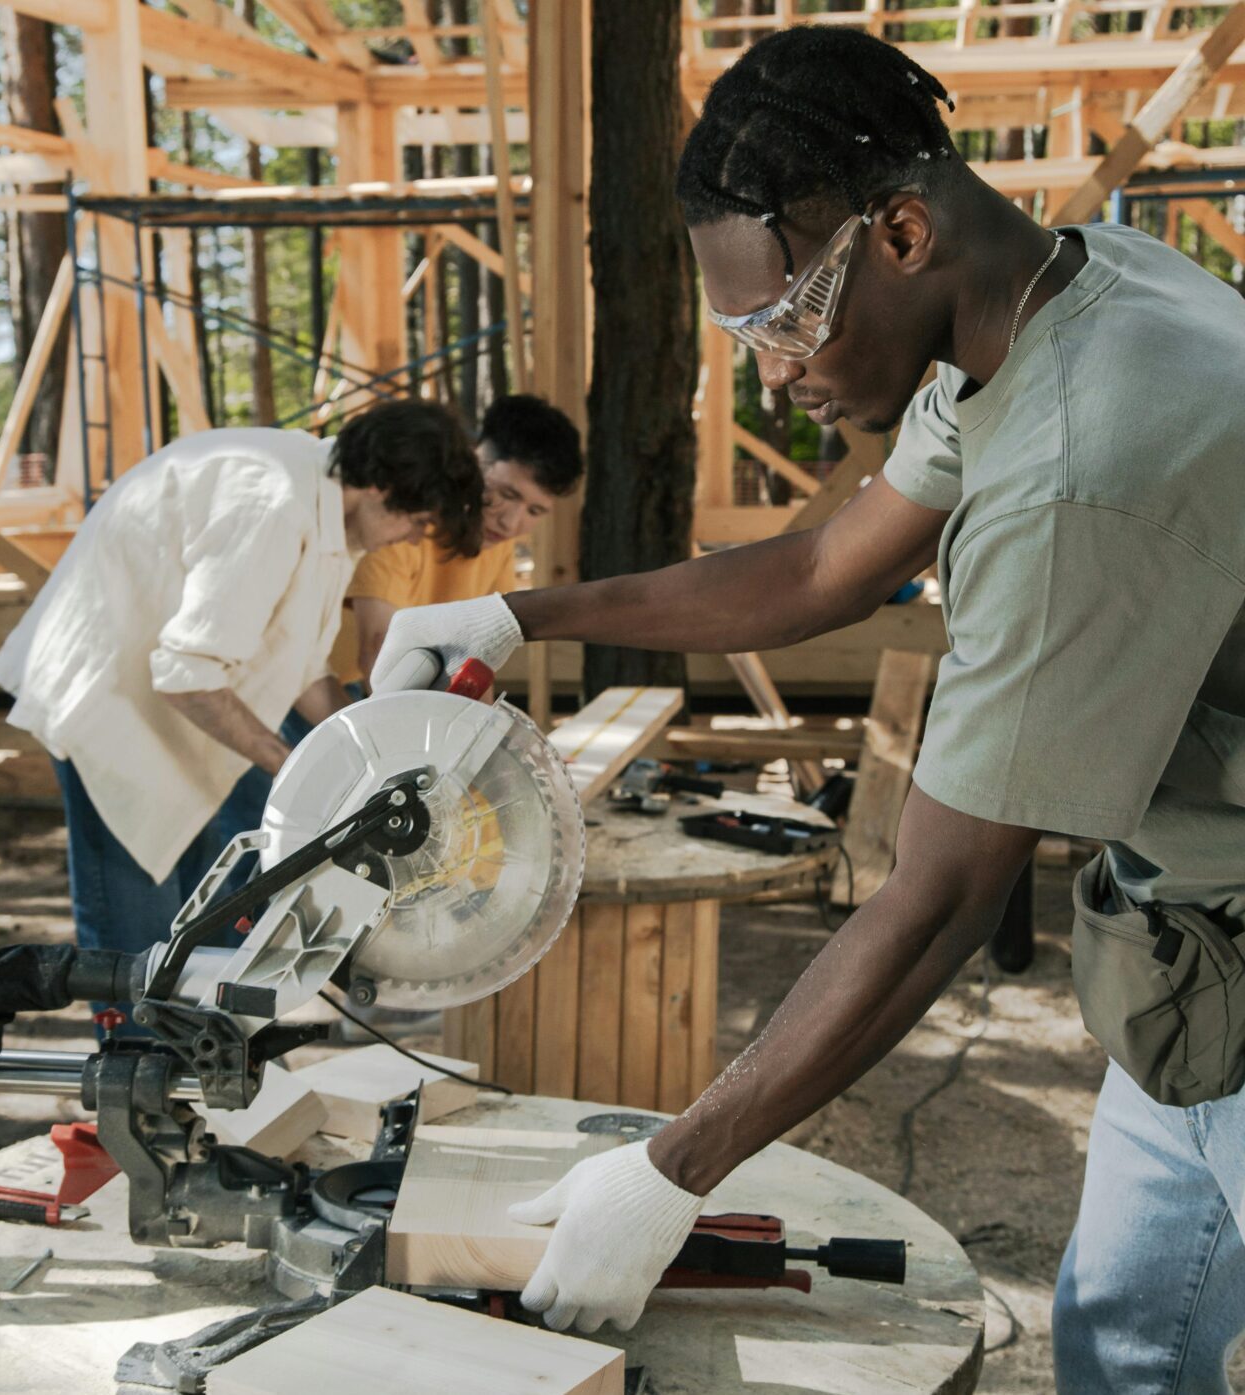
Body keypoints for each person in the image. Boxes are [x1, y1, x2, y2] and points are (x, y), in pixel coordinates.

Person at [369, 26, 1245, 1392]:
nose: (772, 374)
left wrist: (672, 1168)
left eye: (781, 324)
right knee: (1126, 1344)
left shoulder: (1086, 466)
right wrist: (518, 614)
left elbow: (941, 899)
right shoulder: (1056, 296)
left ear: (900, 233)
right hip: (1204, 951)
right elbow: (820, 566)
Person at [0, 401, 483, 982]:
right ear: (380, 486)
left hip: (168, 711)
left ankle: (173, 1057)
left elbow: (303, 668)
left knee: (189, 933)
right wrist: (296, 766)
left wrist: (368, 765)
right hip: (107, 701)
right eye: (417, 521)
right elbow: (186, 673)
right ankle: (129, 1059)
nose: (412, 538)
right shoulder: (271, 501)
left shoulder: (328, 507)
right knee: (134, 943)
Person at [334, 394, 584, 689]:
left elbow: (479, 658)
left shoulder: (496, 539)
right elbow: (376, 653)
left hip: (397, 686)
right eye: (506, 494)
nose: (511, 523)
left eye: (535, 511)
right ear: (475, 458)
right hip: (327, 687)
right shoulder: (406, 519)